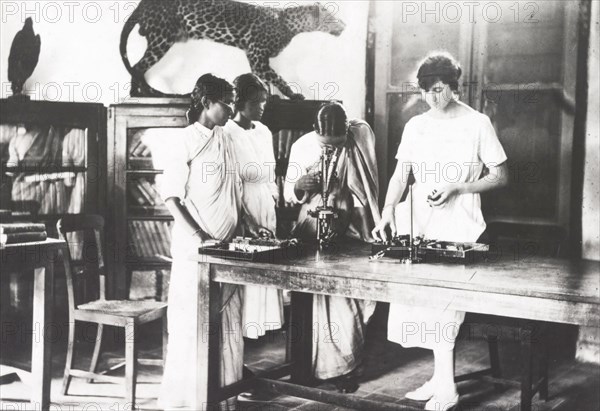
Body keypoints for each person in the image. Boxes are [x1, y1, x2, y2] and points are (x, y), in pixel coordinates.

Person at [372, 52, 509, 411]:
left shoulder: (477, 122)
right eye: (427, 91)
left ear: (454, 86)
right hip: (418, 220)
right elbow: (402, 175)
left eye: (439, 89)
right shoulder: (416, 126)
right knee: (422, 303)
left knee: (444, 303)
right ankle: (439, 376)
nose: (433, 97)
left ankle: (448, 388)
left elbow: (500, 175)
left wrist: (458, 187)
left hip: (458, 221)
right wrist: (387, 213)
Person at [158, 73, 242, 410]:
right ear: (207, 103)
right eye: (227, 103)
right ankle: (191, 400)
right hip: (197, 249)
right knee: (193, 322)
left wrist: (244, 227)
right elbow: (171, 198)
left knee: (228, 322)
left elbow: (233, 192)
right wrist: (200, 237)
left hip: (228, 246)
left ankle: (224, 398)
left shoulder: (228, 138)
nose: (232, 110)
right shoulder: (184, 141)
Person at [284, 101, 381, 391]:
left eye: (335, 145)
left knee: (342, 300)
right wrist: (301, 185)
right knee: (308, 299)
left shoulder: (356, 141)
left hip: (345, 230)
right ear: (315, 132)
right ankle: (306, 369)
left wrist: (369, 238)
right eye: (325, 145)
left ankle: (345, 368)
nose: (331, 151)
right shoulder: (302, 146)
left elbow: (364, 194)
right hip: (309, 227)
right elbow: (291, 192)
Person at [224, 73, 284, 340]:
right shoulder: (227, 133)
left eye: (265, 101)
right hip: (243, 203)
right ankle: (243, 334)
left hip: (265, 203)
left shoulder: (264, 131)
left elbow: (270, 174)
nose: (262, 107)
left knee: (266, 263)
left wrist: (274, 202)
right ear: (241, 102)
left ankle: (261, 328)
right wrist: (247, 218)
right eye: (257, 102)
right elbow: (232, 180)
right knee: (247, 266)